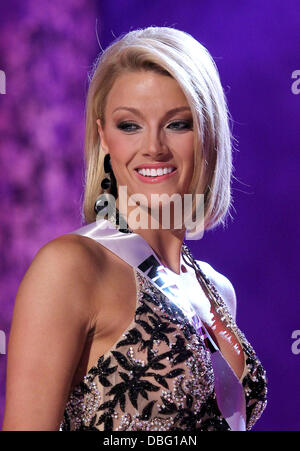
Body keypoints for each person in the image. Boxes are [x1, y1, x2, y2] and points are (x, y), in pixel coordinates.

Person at [2, 26, 267, 432]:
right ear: (103, 137)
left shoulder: (219, 291)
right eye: (130, 125)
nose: (154, 147)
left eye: (177, 124)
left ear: (208, 134)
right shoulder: (72, 267)